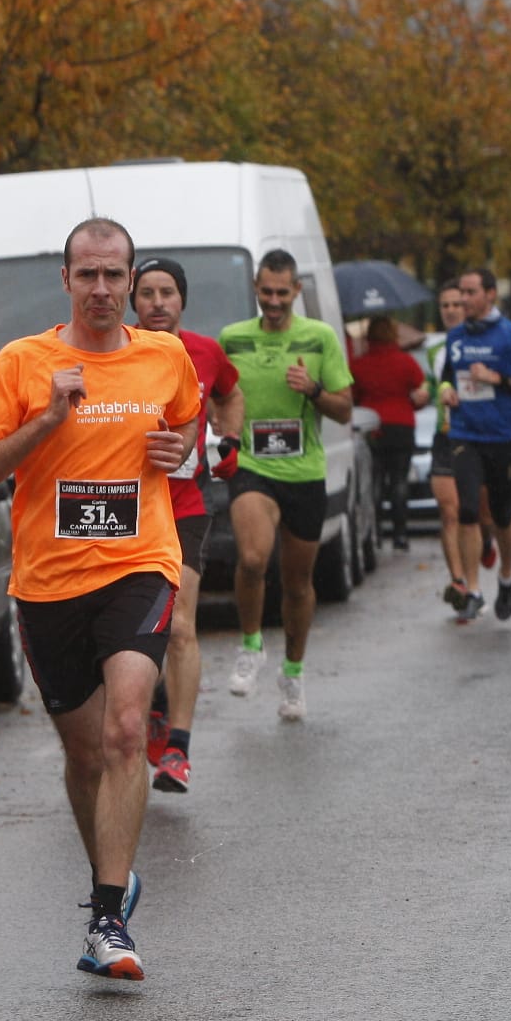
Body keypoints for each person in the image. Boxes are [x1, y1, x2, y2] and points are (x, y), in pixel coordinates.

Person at [0, 217, 199, 981]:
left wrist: (179, 448)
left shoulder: (166, 356)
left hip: (140, 564)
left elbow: (185, 424)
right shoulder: (24, 362)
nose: (101, 288)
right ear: (65, 280)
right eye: (86, 275)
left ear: (133, 282)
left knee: (129, 728)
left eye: (114, 275)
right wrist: (48, 419)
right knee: (85, 750)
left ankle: (105, 919)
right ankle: (114, 876)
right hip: (50, 583)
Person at [219, 249, 354, 719]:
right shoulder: (232, 339)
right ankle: (252, 645)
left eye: (282, 293)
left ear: (296, 291)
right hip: (254, 467)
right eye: (266, 292)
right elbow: (219, 396)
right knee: (253, 557)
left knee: (298, 584)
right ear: (255, 289)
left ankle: (293, 673)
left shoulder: (319, 338)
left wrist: (314, 391)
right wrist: (225, 430)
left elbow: (344, 408)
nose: (273, 301)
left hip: (304, 472)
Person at [130, 256, 243, 794]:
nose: (156, 303)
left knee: (178, 626)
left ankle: (178, 748)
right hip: (126, 513)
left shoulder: (206, 352)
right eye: (146, 293)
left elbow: (230, 393)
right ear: (134, 301)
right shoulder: (118, 352)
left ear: (182, 300)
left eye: (166, 293)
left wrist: (232, 440)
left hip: (185, 506)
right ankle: (150, 702)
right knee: (131, 631)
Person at [436, 267, 511, 619]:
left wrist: (496, 378)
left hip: (502, 436)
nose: (463, 300)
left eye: (470, 292)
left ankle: (507, 577)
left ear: (490, 294)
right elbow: (448, 375)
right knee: (466, 509)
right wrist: (445, 389)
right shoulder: (456, 336)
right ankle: (474, 589)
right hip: (465, 433)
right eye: (460, 293)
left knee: (501, 513)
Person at [427, 284, 496, 611]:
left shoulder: (484, 343)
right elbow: (427, 386)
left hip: (479, 435)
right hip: (446, 435)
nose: (452, 310)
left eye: (457, 303)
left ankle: (486, 538)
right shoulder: (433, 350)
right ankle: (461, 581)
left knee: (479, 510)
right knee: (449, 511)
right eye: (445, 305)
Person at [349, 314, 429, 551]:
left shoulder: (359, 364)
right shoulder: (406, 361)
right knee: (399, 481)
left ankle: (374, 531)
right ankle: (400, 534)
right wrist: (411, 406)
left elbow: (352, 396)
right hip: (402, 425)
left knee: (373, 481)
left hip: (371, 426)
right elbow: (420, 392)